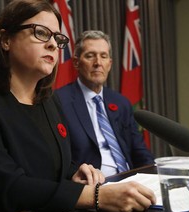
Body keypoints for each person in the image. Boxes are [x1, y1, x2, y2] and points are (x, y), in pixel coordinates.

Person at [0, 1, 156, 212]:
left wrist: (75, 173)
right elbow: (5, 186)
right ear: (6, 39)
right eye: (41, 33)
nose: (53, 44)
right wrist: (96, 196)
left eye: (57, 38)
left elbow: (51, 167)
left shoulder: (49, 101)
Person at [55, 30, 154, 177]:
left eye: (103, 56)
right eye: (90, 56)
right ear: (76, 62)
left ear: (110, 63)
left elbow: (139, 150)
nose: (98, 63)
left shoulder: (121, 103)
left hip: (130, 179)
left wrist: (153, 175)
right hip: (94, 185)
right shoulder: (59, 101)